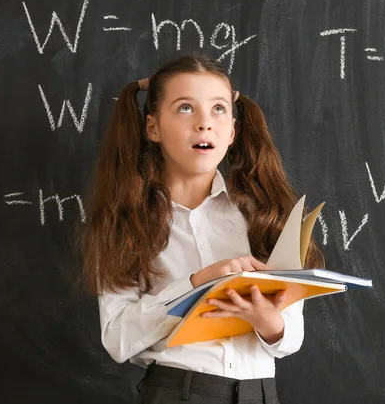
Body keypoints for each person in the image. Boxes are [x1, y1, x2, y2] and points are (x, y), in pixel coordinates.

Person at [79, 53, 324, 404]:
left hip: (260, 394)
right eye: (185, 108)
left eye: (219, 109)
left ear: (232, 132)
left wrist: (270, 322)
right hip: (175, 392)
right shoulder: (125, 224)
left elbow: (291, 339)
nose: (204, 123)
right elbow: (117, 339)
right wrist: (197, 285)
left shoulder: (266, 217)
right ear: (153, 127)